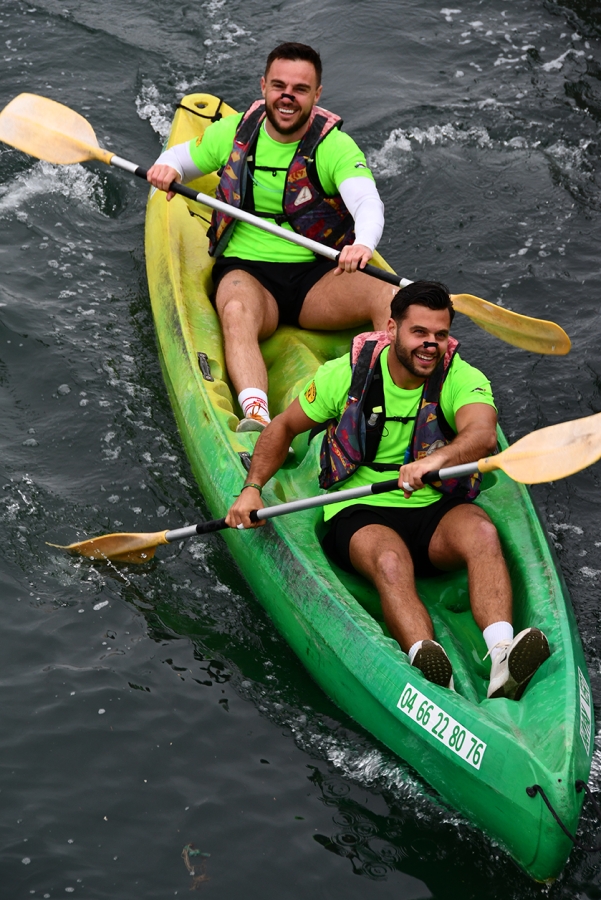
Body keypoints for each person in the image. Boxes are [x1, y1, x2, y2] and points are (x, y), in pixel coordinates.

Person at [226, 281, 550, 699]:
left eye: (440, 334)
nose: (430, 345)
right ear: (393, 329)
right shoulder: (347, 374)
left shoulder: (462, 377)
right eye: (419, 333)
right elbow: (283, 427)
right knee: (391, 561)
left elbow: (482, 435)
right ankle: (428, 664)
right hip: (359, 506)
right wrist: (252, 488)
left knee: (483, 533)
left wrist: (433, 461)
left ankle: (502, 655)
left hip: (435, 505)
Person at [147, 42, 395, 432]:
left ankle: (386, 405)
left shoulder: (333, 147)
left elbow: (366, 201)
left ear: (316, 95)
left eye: (299, 89)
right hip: (250, 274)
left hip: (318, 277)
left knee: (392, 297)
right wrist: (166, 169)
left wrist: (363, 243)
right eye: (279, 86)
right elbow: (177, 159)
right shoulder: (236, 132)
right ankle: (257, 414)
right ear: (263, 86)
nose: (287, 97)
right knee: (235, 309)